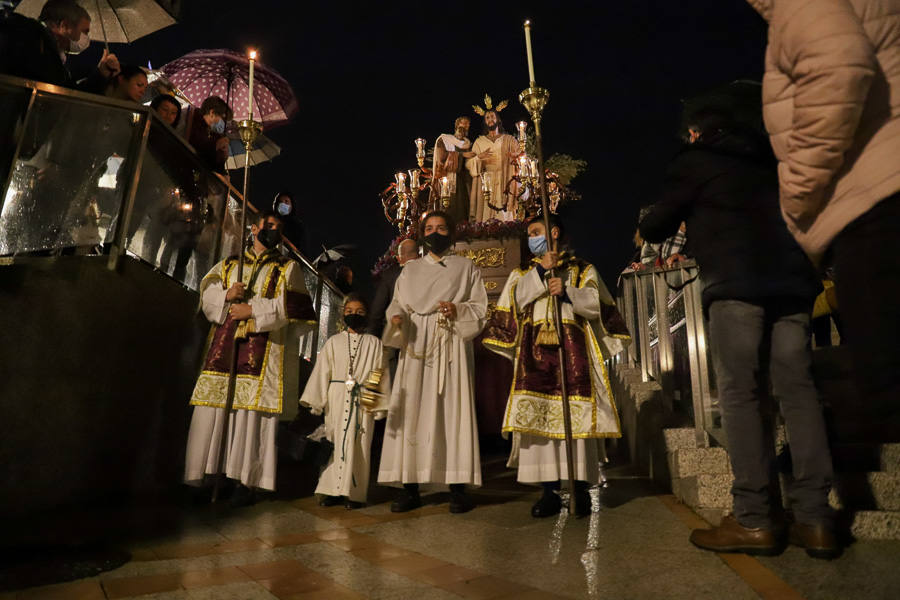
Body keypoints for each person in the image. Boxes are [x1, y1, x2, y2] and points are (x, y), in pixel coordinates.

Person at [640, 109, 836, 558]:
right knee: (799, 392)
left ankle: (754, 518)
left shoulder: (697, 161)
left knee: (742, 395)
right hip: (793, 285)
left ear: (699, 131)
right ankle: (815, 518)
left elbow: (656, 226)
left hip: (737, 284)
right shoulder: (779, 160)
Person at [747, 0, 900, 441]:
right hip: (877, 192)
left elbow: (839, 64)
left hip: (874, 201)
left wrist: (797, 193)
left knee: (886, 384)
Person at [483, 215, 630, 517]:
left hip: (573, 353)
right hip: (534, 357)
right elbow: (515, 300)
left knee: (574, 423)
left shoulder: (581, 269)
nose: (531, 238)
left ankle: (579, 490)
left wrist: (566, 291)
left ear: (554, 232)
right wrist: (540, 272)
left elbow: (596, 303)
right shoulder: (523, 271)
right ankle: (548, 491)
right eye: (529, 234)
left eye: (536, 232)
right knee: (540, 428)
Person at [184, 210, 316, 505]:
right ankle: (209, 476)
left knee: (251, 417)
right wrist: (227, 296)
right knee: (214, 410)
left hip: (263, 354)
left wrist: (253, 310)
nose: (273, 230)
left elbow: (297, 309)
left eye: (278, 228)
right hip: (223, 349)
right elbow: (206, 294)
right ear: (253, 228)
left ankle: (246, 480)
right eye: (268, 225)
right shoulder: (230, 263)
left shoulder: (288, 267)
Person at [378, 210, 488, 513]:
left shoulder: (466, 267)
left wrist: (458, 311)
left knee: (450, 410)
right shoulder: (410, 270)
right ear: (422, 233)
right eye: (429, 228)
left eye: (441, 227)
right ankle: (410, 487)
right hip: (416, 343)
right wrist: (396, 317)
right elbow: (397, 302)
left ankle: (457, 487)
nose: (435, 232)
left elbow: (479, 307)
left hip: (448, 339)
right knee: (413, 411)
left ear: (451, 232)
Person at [300, 294, 391, 509]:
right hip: (337, 398)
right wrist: (317, 402)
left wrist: (376, 405)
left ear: (367, 316)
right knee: (334, 441)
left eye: (359, 312)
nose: (354, 315)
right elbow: (323, 372)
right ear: (343, 315)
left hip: (362, 399)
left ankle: (354, 494)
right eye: (349, 312)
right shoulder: (333, 342)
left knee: (358, 445)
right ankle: (331, 490)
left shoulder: (375, 344)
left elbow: (379, 374)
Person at [0, 0, 120, 93]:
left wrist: (101, 75)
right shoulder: (29, 40)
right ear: (64, 26)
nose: (87, 39)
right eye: (85, 32)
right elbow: (62, 95)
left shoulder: (49, 50)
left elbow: (69, 94)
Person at [466, 98, 519, 222]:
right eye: (487, 118)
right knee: (485, 218)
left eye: (492, 116)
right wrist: (479, 158)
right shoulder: (479, 142)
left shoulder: (509, 140)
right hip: (486, 183)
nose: (490, 119)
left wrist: (514, 157)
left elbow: (521, 156)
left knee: (505, 217)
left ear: (498, 119)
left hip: (504, 181)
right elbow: (469, 164)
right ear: (485, 122)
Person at [367, 238, 418, 337]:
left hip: (397, 334)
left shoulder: (390, 276)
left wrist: (373, 336)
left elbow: (377, 311)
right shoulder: (427, 273)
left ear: (399, 259)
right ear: (419, 255)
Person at [433, 117, 474, 225]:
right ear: (457, 125)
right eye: (463, 123)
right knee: (449, 208)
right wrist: (462, 155)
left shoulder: (468, 144)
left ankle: (463, 232)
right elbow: (441, 158)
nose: (465, 126)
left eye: (467, 124)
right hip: (448, 180)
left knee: (463, 209)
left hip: (463, 182)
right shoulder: (445, 140)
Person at [186, 96, 231, 174]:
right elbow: (198, 150)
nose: (223, 123)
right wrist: (215, 145)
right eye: (222, 118)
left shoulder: (215, 133)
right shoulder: (193, 120)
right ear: (212, 113)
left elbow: (215, 164)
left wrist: (223, 155)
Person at [272, 191, 307, 256]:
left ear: (292, 205)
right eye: (280, 202)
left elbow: (303, 250)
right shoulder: (271, 223)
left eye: (286, 201)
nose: (283, 204)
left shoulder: (298, 226)